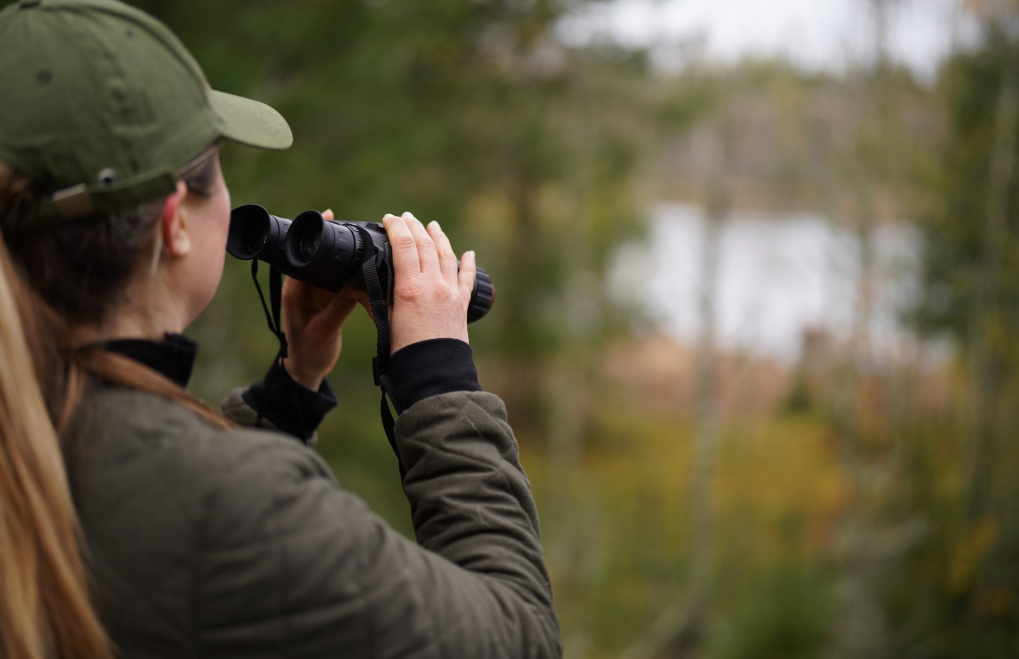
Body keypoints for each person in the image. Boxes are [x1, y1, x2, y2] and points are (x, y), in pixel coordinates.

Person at [0, 1, 561, 657]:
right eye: (218, 169)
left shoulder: (38, 412)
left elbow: (145, 506)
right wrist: (439, 377)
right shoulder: (233, 505)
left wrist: (291, 387)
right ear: (175, 221)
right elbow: (518, 638)